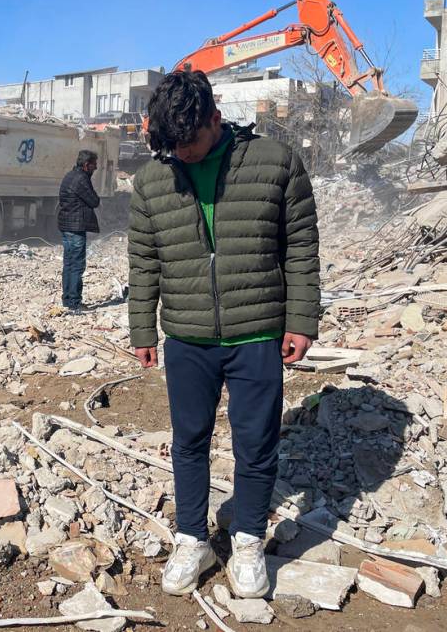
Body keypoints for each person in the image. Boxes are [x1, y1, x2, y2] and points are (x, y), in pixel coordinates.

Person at [128, 71, 319, 598]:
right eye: (170, 148)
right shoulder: (151, 180)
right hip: (187, 335)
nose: (181, 157)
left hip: (257, 329)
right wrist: (142, 325)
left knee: (255, 444)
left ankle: (250, 539)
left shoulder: (276, 163)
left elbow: (300, 244)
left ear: (215, 118)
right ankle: (192, 537)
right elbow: (143, 261)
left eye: (189, 146)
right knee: (189, 441)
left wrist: (302, 319)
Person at [57, 149, 100, 315]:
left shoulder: (69, 176)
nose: (95, 168)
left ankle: (67, 300)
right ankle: (74, 302)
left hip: (67, 226)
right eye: (94, 165)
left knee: (68, 264)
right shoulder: (81, 179)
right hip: (76, 227)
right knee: (76, 265)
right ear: (86, 165)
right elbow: (94, 201)